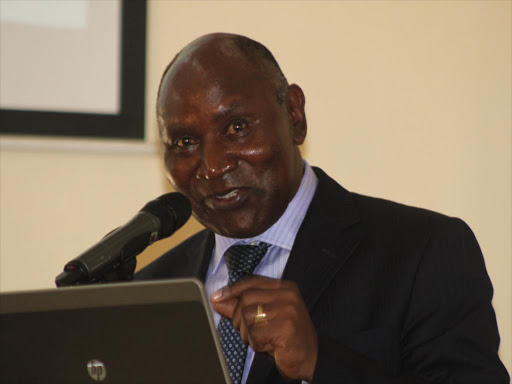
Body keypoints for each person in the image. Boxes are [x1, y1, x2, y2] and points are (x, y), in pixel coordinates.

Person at [135, 33, 509, 383]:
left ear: (294, 116)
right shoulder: (149, 292)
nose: (213, 166)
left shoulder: (422, 253)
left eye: (236, 128)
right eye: (184, 141)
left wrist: (320, 362)